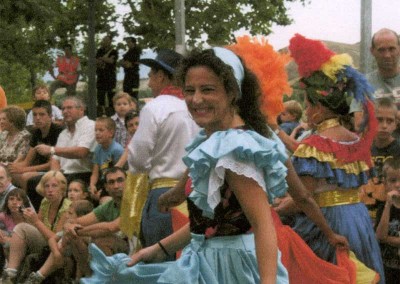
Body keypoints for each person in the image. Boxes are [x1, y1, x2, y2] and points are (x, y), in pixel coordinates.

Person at [81, 39, 362, 284]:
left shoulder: (233, 147)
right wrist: (159, 249)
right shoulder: (221, 139)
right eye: (189, 90)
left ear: (232, 92)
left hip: (231, 267)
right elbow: (212, 222)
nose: (196, 99)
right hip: (215, 260)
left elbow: (263, 226)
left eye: (208, 90)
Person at [277, 34, 385, 282]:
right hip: (358, 219)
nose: (307, 108)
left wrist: (278, 207)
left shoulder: (313, 145)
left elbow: (303, 198)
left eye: (308, 102)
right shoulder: (355, 141)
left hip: (328, 223)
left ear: (320, 106)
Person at [128, 48, 199, 251]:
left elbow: (138, 157)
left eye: (150, 76)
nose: (149, 83)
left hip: (164, 194)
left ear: (161, 76)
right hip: (196, 193)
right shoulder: (196, 107)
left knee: (160, 261)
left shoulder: (155, 107)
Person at [2, 171, 71, 283]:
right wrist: (28, 218)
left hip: (58, 245)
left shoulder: (67, 207)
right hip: (44, 242)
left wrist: (36, 221)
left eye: (54, 186)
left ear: (62, 188)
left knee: (22, 228)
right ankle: (10, 273)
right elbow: (35, 226)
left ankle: (35, 278)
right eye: (46, 186)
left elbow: (56, 238)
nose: (50, 189)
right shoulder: (45, 202)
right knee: (20, 227)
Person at [63, 167, 129, 279]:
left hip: (134, 248)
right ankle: (90, 278)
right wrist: (68, 226)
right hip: (117, 247)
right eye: (111, 182)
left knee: (103, 240)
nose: (116, 186)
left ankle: (101, 279)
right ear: (106, 188)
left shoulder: (134, 202)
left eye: (120, 180)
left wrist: (77, 230)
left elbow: (111, 227)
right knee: (73, 236)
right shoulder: (108, 206)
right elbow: (76, 221)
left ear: (128, 182)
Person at [9, 100, 64, 209]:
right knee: (9, 174)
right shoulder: (35, 133)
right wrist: (11, 168)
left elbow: (51, 164)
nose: (38, 118)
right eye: (35, 115)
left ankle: (26, 208)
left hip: (56, 169)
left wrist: (23, 170)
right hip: (40, 168)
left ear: (50, 116)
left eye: (42, 114)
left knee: (25, 176)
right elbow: (27, 161)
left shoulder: (58, 132)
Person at [25, 200, 94, 283]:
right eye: (67, 212)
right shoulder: (68, 227)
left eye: (70, 213)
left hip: (85, 264)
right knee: (60, 248)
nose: (67, 216)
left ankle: (38, 276)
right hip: (66, 258)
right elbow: (52, 239)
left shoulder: (89, 231)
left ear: (82, 217)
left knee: (69, 239)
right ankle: (38, 276)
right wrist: (56, 253)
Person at [36, 96, 96, 184]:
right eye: (63, 109)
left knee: (35, 182)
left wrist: (51, 149)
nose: (65, 111)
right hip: (64, 175)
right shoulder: (63, 134)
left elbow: (82, 152)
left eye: (69, 108)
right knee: (34, 181)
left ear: (81, 110)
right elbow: (55, 159)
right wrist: (55, 176)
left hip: (83, 174)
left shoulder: (90, 126)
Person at [360, 97, 400, 224]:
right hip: (365, 212)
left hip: (392, 217)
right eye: (379, 120)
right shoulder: (361, 148)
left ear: (396, 124)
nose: (384, 125)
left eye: (390, 121)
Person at [352, 28, 400, 132]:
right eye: (381, 50)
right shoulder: (362, 84)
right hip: (376, 146)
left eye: (392, 49)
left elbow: (365, 120)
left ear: (399, 49)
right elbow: (359, 124)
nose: (387, 55)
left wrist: (375, 114)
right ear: (372, 51)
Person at [375, 158, 400, 284]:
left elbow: (383, 238)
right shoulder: (383, 208)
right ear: (384, 184)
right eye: (393, 180)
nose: (397, 185)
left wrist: (387, 239)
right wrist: (388, 205)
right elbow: (380, 236)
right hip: (388, 268)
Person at [89, 117, 124, 203]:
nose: (97, 133)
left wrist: (104, 191)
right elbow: (95, 172)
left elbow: (118, 173)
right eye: (96, 130)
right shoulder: (98, 149)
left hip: (113, 182)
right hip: (103, 182)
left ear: (111, 133)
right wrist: (92, 185)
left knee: (105, 201)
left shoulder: (117, 150)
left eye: (101, 130)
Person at [0, 188, 31, 272]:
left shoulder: (28, 216)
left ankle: (9, 268)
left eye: (19, 199)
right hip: (8, 241)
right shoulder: (5, 215)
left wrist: (9, 240)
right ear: (7, 202)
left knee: (7, 242)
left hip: (25, 243)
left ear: (24, 202)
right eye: (11, 199)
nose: (14, 202)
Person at [96, 35, 118, 110]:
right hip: (100, 77)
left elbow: (111, 61)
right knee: (100, 97)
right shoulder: (99, 51)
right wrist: (105, 59)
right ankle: (101, 113)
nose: (104, 41)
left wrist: (102, 58)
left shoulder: (114, 51)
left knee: (111, 96)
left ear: (110, 41)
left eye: (106, 40)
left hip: (110, 77)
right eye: (104, 40)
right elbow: (96, 61)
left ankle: (112, 113)